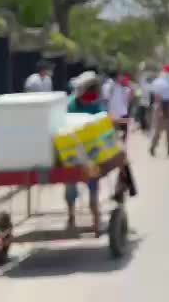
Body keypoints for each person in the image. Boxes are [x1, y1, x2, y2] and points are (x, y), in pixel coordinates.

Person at [65, 71, 103, 234]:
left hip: (87, 153)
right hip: (76, 152)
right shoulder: (70, 105)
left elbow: (101, 123)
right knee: (73, 188)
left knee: (90, 188)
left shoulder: (94, 104)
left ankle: (95, 219)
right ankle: (72, 215)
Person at [150, 66, 169, 157]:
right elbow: (157, 96)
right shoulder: (159, 82)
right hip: (162, 105)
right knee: (158, 130)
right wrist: (161, 110)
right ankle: (152, 147)